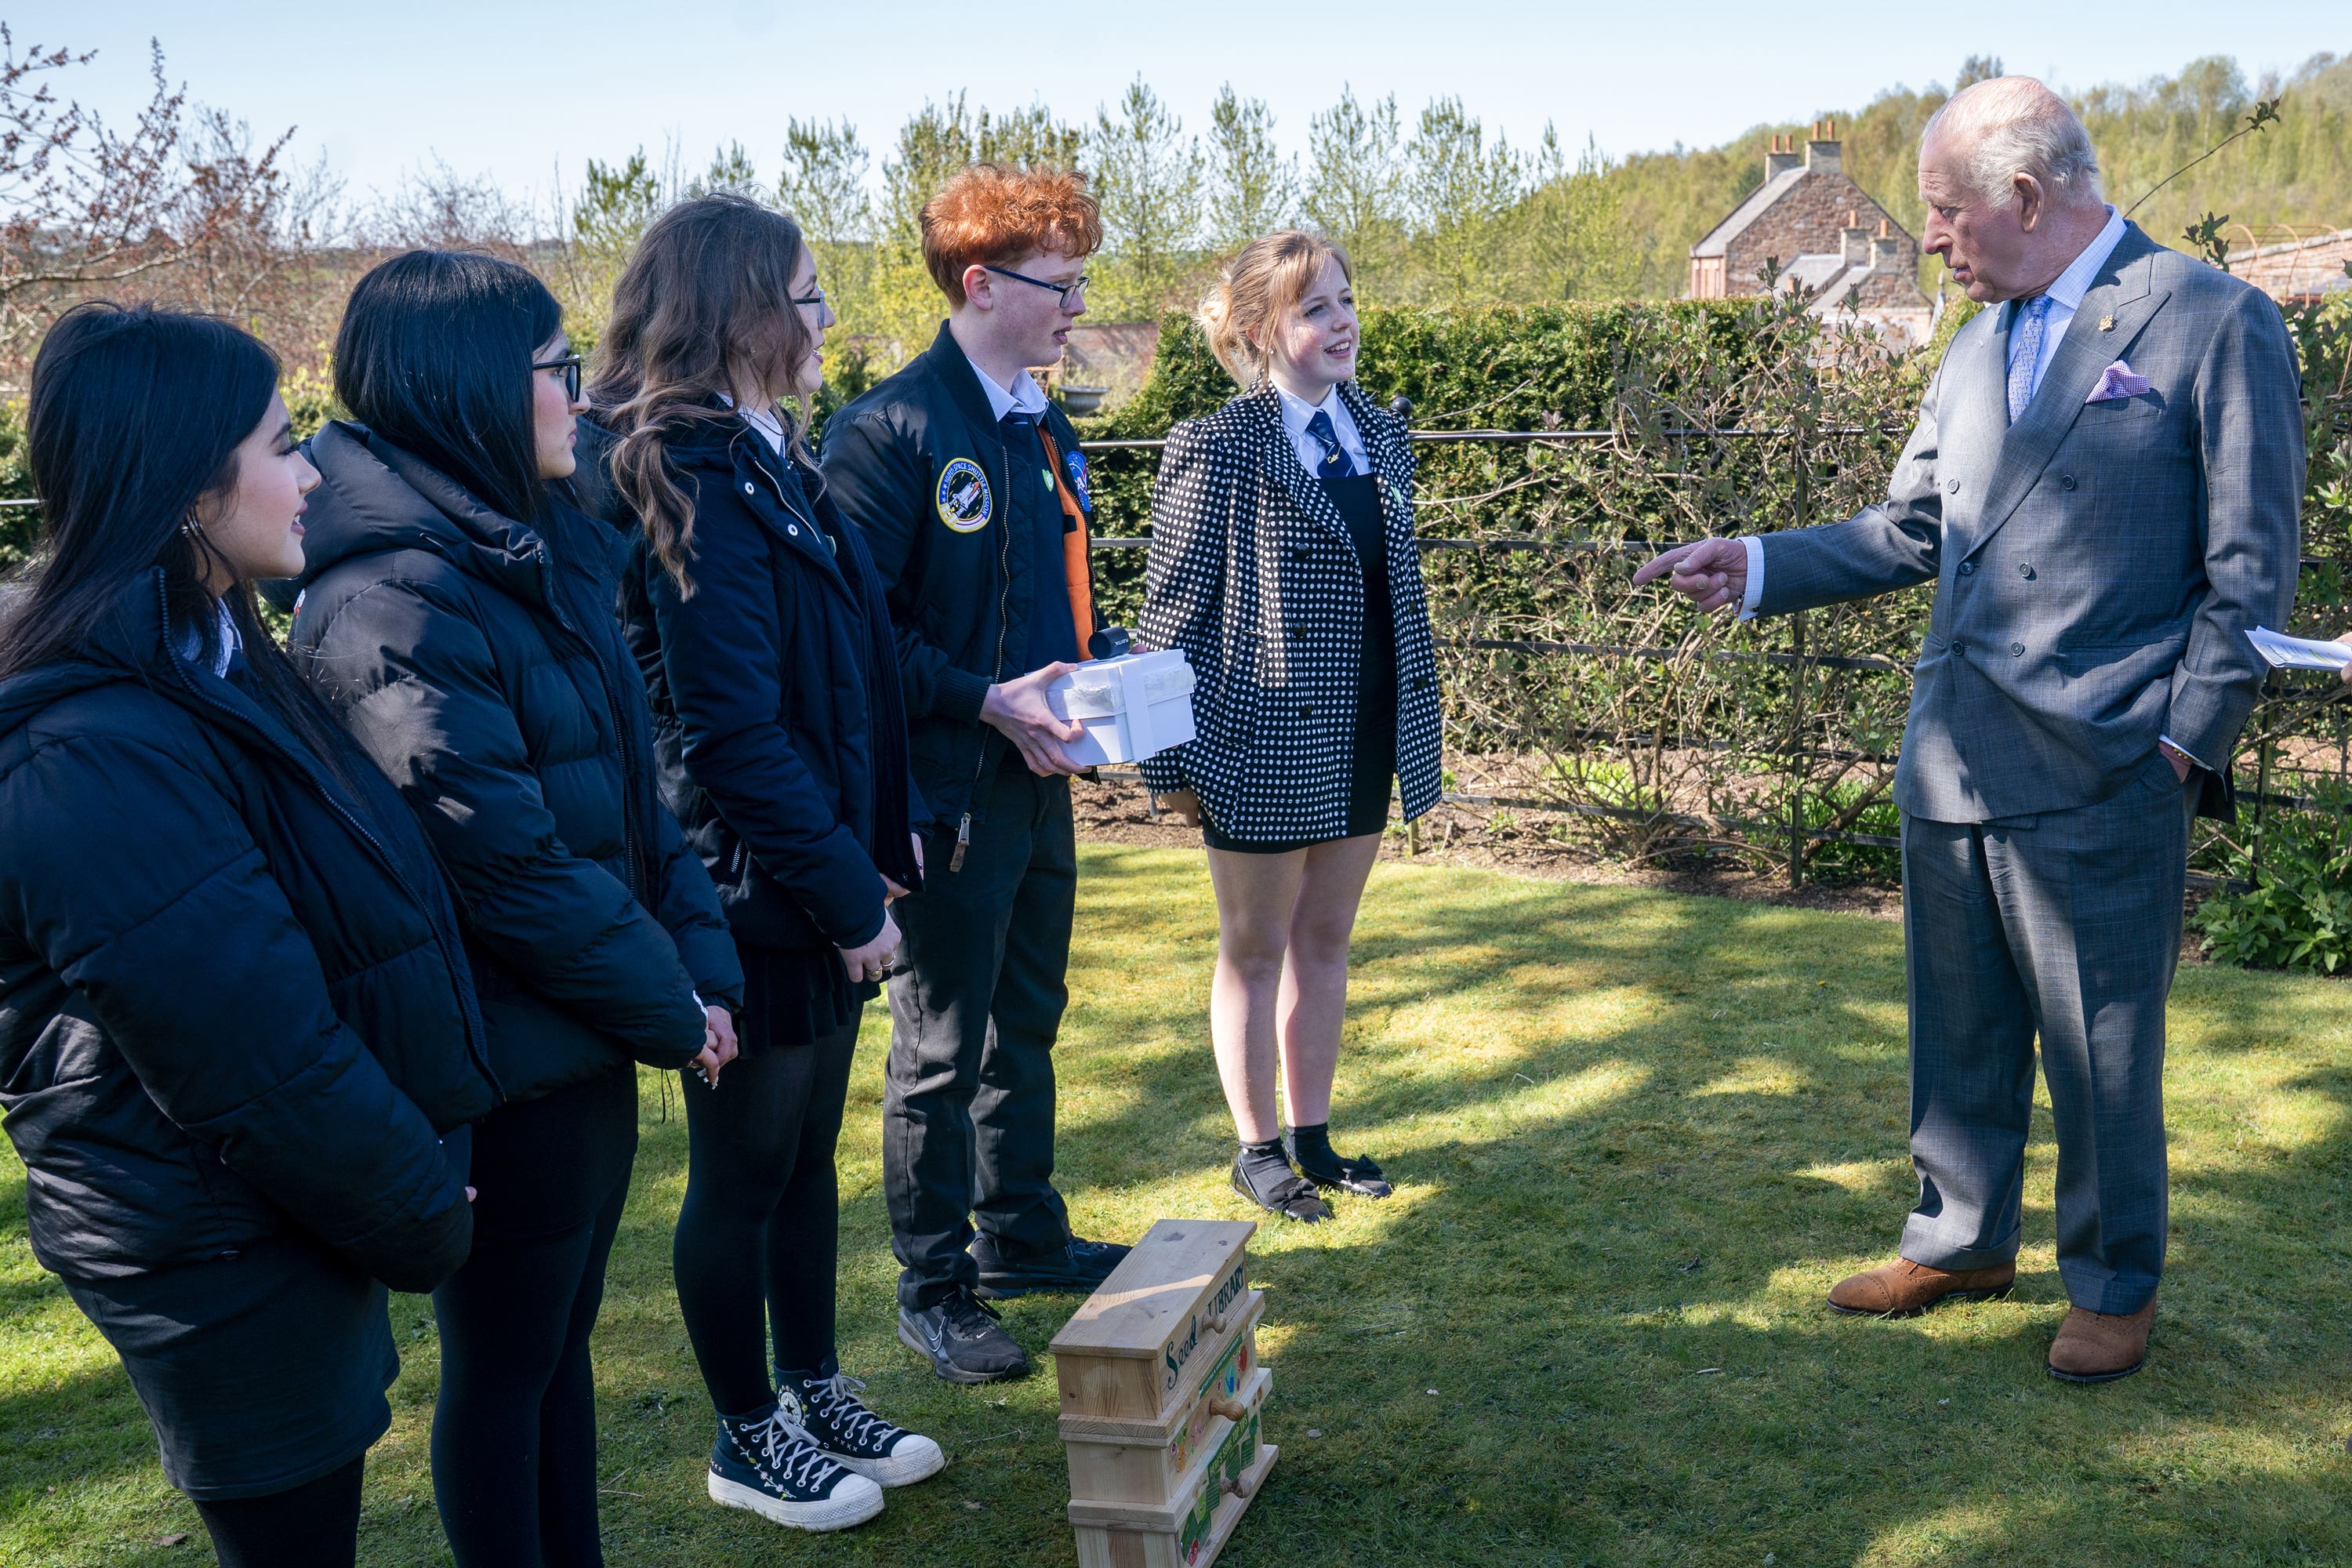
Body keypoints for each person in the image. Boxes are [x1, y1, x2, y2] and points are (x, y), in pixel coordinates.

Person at [1637, 76, 2303, 1383]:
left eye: (1943, 212)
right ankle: (1959, 1239)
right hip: (1952, 754)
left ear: (2026, 196)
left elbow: (2250, 569)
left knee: (2103, 1051)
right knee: (1961, 1032)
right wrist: (1760, 564)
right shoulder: (1970, 346)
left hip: (2108, 765)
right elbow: (1917, 529)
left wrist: (2182, 742)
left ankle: (2112, 1281)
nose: (1928, 237)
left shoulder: (2213, 322)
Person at [0, 304, 495, 1567]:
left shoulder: (207, 655)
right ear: (183, 489)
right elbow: (248, 1048)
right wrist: (419, 1207)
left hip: (277, 1211)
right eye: (283, 445)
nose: (315, 473)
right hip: (209, 1238)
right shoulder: (92, 745)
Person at [288, 251, 745, 1566]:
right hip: (501, 1063)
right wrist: (673, 1000)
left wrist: (696, 966)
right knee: (505, 1371)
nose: (583, 399)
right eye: (556, 370)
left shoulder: (523, 550)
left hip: (582, 1037)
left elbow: (634, 796)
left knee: (555, 1356)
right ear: (476, 388)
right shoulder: (391, 596)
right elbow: (504, 861)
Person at [581, 193, 943, 1531]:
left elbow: (856, 664)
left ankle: (815, 1387)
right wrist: (846, 893)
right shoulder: (684, 468)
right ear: (735, 310)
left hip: (818, 866)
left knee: (801, 1165)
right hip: (752, 888)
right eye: (803, 294)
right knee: (742, 1175)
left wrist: (886, 831)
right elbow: (730, 730)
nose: (823, 315)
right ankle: (746, 1437)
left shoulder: (770, 452)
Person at [820, 162, 1128, 1384]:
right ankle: (933, 1286)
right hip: (944, 791)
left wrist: (1102, 676)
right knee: (939, 1048)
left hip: (1038, 778)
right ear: (984, 282)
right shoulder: (888, 431)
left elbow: (1048, 600)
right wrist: (982, 701)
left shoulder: (1040, 421)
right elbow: (853, 641)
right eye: (1064, 283)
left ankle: (1021, 1237)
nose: (1079, 307)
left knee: (1030, 1020)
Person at [1137, 233, 1444, 1223]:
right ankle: (1255, 1147)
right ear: (1265, 330)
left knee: (1327, 939)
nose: (1343, 320)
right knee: (1253, 946)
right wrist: (1170, 762)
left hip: (1364, 727)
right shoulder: (1218, 442)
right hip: (1260, 738)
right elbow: (1169, 611)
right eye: (1317, 307)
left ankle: (1312, 1136)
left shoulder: (1381, 434)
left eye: (1347, 299)